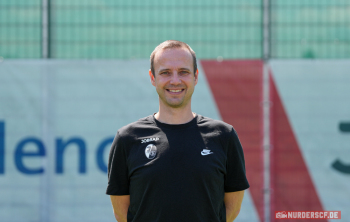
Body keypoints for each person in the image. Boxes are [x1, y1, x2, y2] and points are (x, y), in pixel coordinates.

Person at [106, 40, 249, 222]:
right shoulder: (127, 139)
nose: (175, 80)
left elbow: (232, 207)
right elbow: (121, 213)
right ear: (152, 78)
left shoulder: (223, 136)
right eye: (165, 72)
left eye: (183, 72)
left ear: (195, 77)